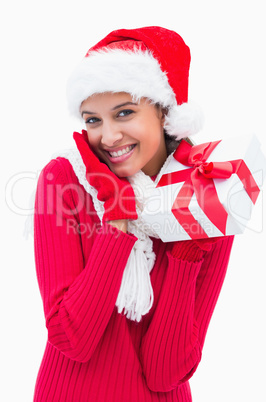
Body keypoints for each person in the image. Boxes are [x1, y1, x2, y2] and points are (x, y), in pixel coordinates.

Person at [33, 26, 234, 401]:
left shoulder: (210, 196)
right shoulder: (63, 181)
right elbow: (72, 340)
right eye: (93, 120)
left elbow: (165, 373)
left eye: (124, 113)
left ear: (165, 113)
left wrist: (187, 251)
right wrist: (117, 226)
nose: (108, 137)